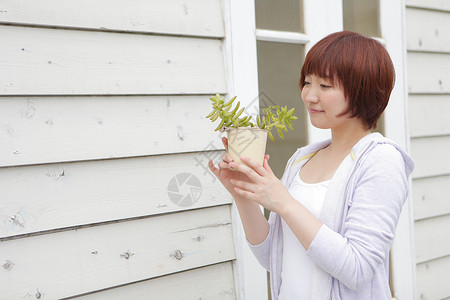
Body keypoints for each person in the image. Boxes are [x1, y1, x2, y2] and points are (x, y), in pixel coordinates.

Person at [208, 31, 414, 299]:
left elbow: (357, 269)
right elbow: (273, 258)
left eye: (325, 86)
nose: (309, 96)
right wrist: (244, 193)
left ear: (363, 90)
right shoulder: (302, 159)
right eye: (307, 82)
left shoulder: (381, 160)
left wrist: (284, 202)